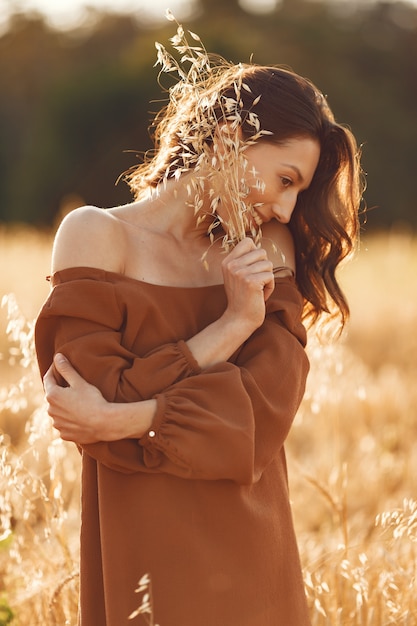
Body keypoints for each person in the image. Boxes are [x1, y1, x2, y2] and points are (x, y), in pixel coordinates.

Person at [35, 22, 363, 626]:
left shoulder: (268, 245)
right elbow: (86, 406)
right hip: (141, 558)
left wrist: (126, 420)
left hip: (251, 551)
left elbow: (263, 415)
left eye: (300, 193)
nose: (287, 209)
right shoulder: (95, 235)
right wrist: (232, 327)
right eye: (285, 180)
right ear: (231, 136)